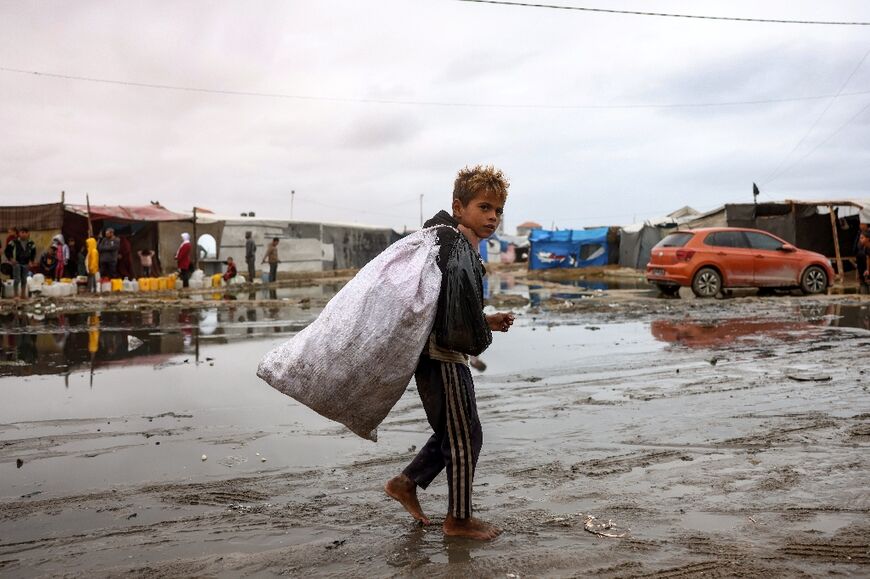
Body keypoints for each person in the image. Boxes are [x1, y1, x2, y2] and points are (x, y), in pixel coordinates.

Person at [384, 165, 515, 541]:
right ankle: (458, 520)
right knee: (463, 438)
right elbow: (449, 316)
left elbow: (446, 306)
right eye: (484, 207)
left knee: (457, 432)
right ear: (459, 207)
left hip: (442, 353)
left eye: (498, 210)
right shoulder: (454, 246)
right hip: (441, 356)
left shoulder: (457, 247)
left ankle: (406, 483)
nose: (492, 216)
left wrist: (485, 321)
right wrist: (478, 337)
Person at [10, 228, 36, 299]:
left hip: (26, 263)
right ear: (19, 233)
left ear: (28, 233)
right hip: (17, 263)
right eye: (22, 232)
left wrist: (31, 261)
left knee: (24, 279)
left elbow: (33, 253)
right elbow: (7, 251)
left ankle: (23, 294)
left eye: (25, 232)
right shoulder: (14, 242)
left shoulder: (31, 243)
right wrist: (11, 259)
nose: (24, 234)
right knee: (17, 279)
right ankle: (15, 295)